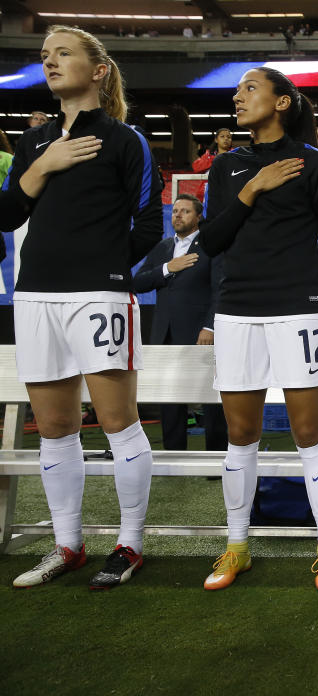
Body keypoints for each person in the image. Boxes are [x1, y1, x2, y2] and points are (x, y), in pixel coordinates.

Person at [0, 26, 163, 589]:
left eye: (62, 53)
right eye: (44, 55)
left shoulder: (125, 140)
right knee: (54, 427)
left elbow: (148, 224)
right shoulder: (35, 141)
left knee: (118, 423)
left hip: (97, 294)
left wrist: (106, 269)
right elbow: (7, 214)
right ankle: (67, 546)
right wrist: (44, 165)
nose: (49, 61)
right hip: (35, 292)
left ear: (98, 70)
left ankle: (130, 544)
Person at [198, 66, 318, 592]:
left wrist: (298, 279)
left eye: (250, 89)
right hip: (236, 309)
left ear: (282, 102)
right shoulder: (226, 166)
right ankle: (236, 546)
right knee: (241, 435)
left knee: (309, 433)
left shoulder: (314, 163)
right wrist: (253, 189)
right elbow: (211, 240)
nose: (237, 97)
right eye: (237, 91)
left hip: (297, 310)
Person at [132, 193, 227, 452]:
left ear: (198, 217)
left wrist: (210, 327)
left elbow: (221, 289)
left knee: (211, 398)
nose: (178, 215)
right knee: (169, 396)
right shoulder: (163, 248)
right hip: (165, 334)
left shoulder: (211, 246)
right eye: (175, 211)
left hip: (200, 333)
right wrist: (167, 268)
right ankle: (173, 454)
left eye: (185, 211)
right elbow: (137, 282)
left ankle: (216, 456)